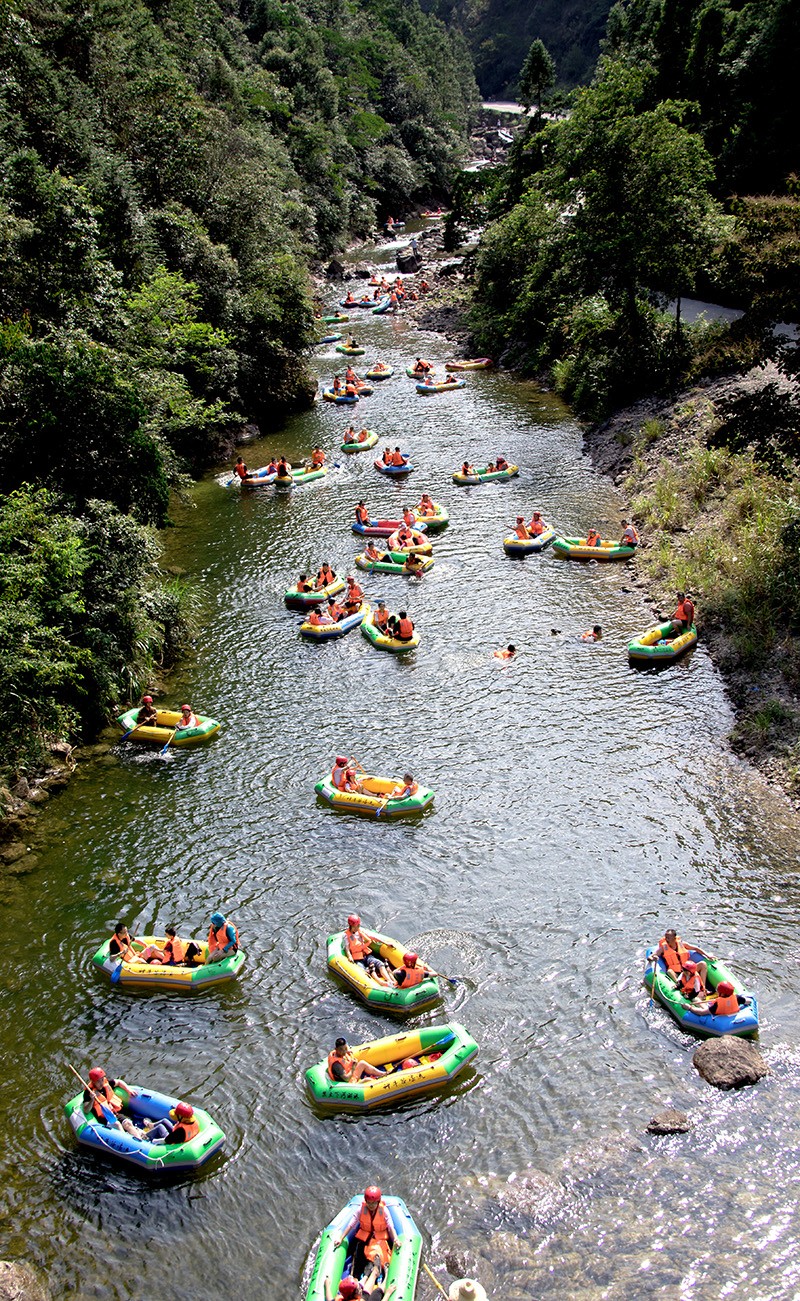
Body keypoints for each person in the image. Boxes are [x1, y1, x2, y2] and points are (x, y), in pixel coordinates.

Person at [333, 1187, 397, 1281]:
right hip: (364, 1238)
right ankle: (355, 1279)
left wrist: (395, 1238)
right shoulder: (361, 1210)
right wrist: (341, 1238)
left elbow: (390, 1226)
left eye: (373, 1203)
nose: (371, 1205)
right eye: (369, 1202)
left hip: (379, 1240)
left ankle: (377, 1278)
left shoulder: (384, 1211)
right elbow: (351, 1225)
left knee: (378, 1258)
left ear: (378, 1202)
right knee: (359, 1258)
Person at [343, 913, 393, 982]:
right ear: (350, 926)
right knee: (362, 972)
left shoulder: (361, 931)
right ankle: (378, 981)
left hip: (367, 955)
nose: (356, 928)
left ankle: (389, 980)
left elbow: (373, 937)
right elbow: (347, 948)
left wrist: (386, 943)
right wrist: (349, 956)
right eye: (354, 927)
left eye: (358, 926)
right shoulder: (346, 936)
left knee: (380, 963)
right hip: (357, 959)